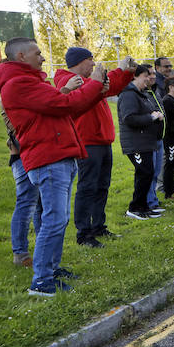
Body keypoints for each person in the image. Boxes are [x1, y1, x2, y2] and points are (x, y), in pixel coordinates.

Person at [0, 37, 106, 296]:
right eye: (38, 53)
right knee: (54, 220)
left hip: (57, 156)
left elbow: (65, 110)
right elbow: (65, 104)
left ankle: (51, 269)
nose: (43, 58)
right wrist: (96, 83)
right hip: (48, 159)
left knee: (58, 219)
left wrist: (95, 89)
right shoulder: (19, 83)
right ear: (21, 56)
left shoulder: (28, 82)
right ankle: (42, 281)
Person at [54, 47, 135, 247]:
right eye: (90, 60)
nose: (93, 64)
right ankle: (84, 234)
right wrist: (119, 70)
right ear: (79, 61)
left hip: (101, 141)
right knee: (87, 188)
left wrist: (126, 73)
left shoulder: (88, 81)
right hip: (87, 141)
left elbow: (110, 87)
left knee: (101, 187)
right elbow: (92, 88)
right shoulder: (66, 80)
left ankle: (98, 226)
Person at [118, 65, 166, 219]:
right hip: (135, 143)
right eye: (146, 75)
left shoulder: (141, 94)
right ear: (135, 77)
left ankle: (144, 207)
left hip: (145, 142)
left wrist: (156, 115)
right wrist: (152, 117)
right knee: (144, 172)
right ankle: (134, 208)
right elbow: (129, 118)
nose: (149, 78)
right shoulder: (128, 95)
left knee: (148, 173)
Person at [2, 106, 40, 266]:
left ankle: (42, 248)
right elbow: (17, 125)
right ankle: (20, 254)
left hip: (34, 153)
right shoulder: (10, 89)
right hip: (23, 155)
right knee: (26, 203)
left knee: (40, 204)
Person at [145, 67, 166, 214]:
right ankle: (149, 202)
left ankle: (153, 200)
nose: (153, 76)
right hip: (149, 139)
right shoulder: (141, 94)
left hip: (160, 138)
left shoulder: (156, 91)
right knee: (150, 172)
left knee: (156, 171)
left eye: (154, 73)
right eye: (149, 74)